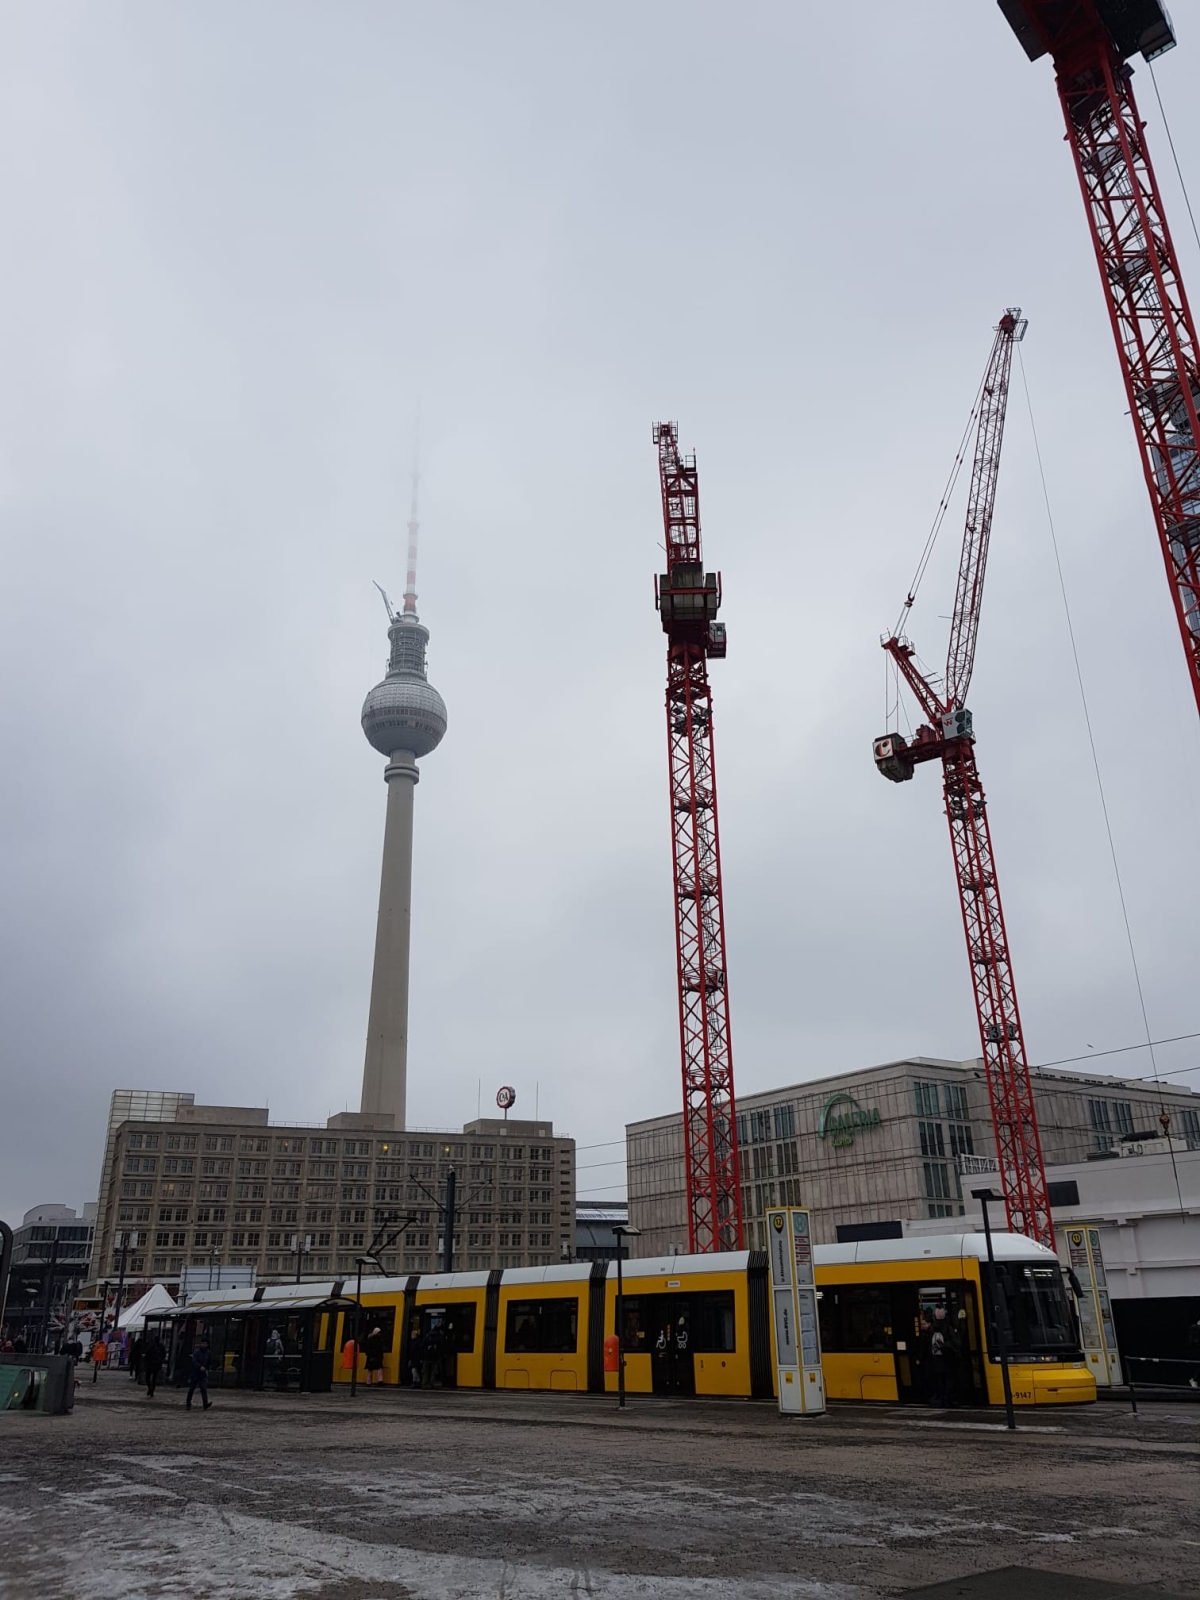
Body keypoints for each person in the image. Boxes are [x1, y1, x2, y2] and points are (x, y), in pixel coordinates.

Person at [186, 1337, 212, 1410]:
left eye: (205, 1344)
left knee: (203, 1389)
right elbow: (194, 1361)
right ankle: (188, 1403)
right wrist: (199, 1367)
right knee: (191, 1389)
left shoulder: (208, 1352)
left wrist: (207, 1368)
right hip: (195, 1373)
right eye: (202, 1343)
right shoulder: (197, 1352)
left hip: (202, 1374)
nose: (203, 1345)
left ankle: (205, 1404)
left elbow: (209, 1361)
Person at [143, 1333, 165, 1399]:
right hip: (157, 1365)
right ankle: (152, 1390)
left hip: (150, 1364)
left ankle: (150, 1388)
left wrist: (145, 1362)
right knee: (154, 1378)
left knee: (148, 1377)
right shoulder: (161, 1347)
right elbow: (163, 1355)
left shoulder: (151, 1346)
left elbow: (147, 1355)